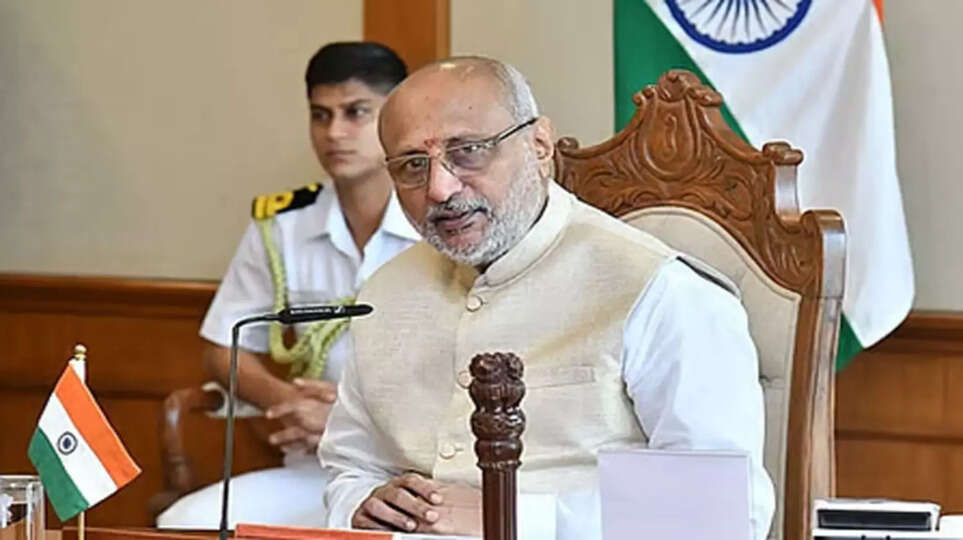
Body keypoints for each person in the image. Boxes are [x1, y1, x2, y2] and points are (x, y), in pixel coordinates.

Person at [318, 56, 775, 540]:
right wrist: (362, 504)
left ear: (539, 145)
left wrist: (516, 520)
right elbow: (350, 466)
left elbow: (722, 515)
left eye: (468, 151)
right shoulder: (385, 292)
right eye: (413, 165)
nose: (440, 188)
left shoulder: (660, 291)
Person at [156, 42, 419, 529]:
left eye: (356, 112)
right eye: (320, 115)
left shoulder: (441, 218)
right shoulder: (283, 225)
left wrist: (346, 421)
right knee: (185, 522)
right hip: (315, 468)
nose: (334, 133)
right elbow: (223, 348)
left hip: (415, 467)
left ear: (398, 116)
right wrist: (288, 402)